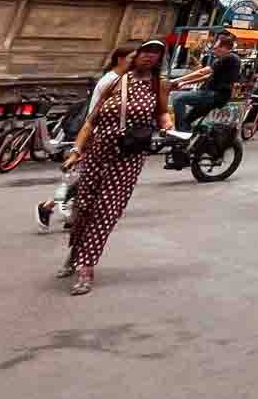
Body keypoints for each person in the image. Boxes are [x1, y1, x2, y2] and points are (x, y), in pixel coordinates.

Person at [59, 39, 171, 295]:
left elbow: (163, 112)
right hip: (98, 152)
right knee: (84, 206)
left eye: (156, 54)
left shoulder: (158, 86)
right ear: (136, 55)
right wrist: (77, 150)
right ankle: (75, 251)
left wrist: (168, 126)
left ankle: (86, 266)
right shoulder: (114, 82)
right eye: (147, 52)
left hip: (129, 157)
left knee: (106, 210)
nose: (150, 58)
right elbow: (91, 121)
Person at [38, 45, 134, 231]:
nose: (134, 63)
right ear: (120, 59)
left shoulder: (117, 79)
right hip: (99, 136)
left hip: (103, 136)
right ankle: (49, 206)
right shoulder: (112, 81)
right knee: (86, 180)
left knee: (86, 180)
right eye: (131, 58)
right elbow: (101, 114)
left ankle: (69, 216)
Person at [170, 34, 240, 135]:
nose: (214, 50)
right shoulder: (227, 60)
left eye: (216, 47)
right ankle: (192, 140)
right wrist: (185, 82)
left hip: (214, 95)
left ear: (224, 48)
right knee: (186, 121)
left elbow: (202, 72)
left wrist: (176, 80)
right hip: (216, 96)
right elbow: (207, 77)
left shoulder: (229, 57)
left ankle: (182, 135)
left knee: (178, 99)